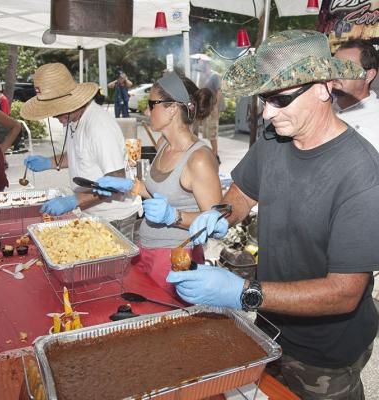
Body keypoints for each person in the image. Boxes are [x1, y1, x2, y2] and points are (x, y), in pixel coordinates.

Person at [166, 31, 379, 400]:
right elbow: (244, 193)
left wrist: (242, 293)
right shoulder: (274, 136)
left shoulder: (362, 174)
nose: (267, 112)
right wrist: (219, 214)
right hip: (268, 325)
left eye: (279, 99)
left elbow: (344, 293)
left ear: (323, 89)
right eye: (264, 99)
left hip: (324, 352)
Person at [93, 71, 222, 293]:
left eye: (152, 104)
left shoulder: (199, 159)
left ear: (172, 108)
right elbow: (157, 192)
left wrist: (173, 216)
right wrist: (129, 185)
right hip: (146, 249)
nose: (146, 110)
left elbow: (217, 221)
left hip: (176, 256)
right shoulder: (163, 144)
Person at [20, 63, 141, 240]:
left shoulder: (99, 127)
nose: (55, 117)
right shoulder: (72, 118)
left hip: (115, 217)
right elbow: (79, 155)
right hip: (92, 211)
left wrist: (74, 201)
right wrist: (48, 162)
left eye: (56, 111)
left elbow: (117, 182)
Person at [333, 39, 379, 150]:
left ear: (369, 76)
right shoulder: (321, 107)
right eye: (333, 66)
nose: (335, 73)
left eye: (345, 67)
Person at [197, 60, 224, 164]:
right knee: (207, 133)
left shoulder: (215, 76)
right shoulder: (204, 76)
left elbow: (219, 91)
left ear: (207, 65)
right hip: (207, 108)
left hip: (213, 108)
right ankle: (214, 154)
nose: (201, 67)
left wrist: (216, 107)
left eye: (202, 65)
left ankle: (215, 155)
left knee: (212, 132)